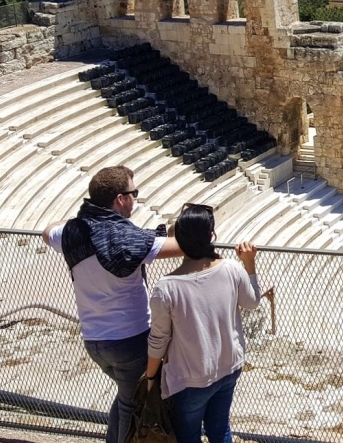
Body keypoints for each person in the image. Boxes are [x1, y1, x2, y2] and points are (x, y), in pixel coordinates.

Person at [42, 166, 182, 443]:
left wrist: (79, 220)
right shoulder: (126, 239)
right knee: (133, 405)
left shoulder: (71, 233)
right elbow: (183, 248)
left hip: (95, 342)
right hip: (130, 340)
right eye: (134, 194)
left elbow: (47, 232)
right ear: (120, 199)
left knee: (125, 397)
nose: (135, 199)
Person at [145, 204, 261, 443]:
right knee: (220, 430)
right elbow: (252, 302)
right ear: (211, 235)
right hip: (229, 367)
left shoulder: (166, 288)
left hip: (190, 379)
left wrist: (150, 377)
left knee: (188, 436)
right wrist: (250, 264)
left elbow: (159, 339)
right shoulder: (231, 268)